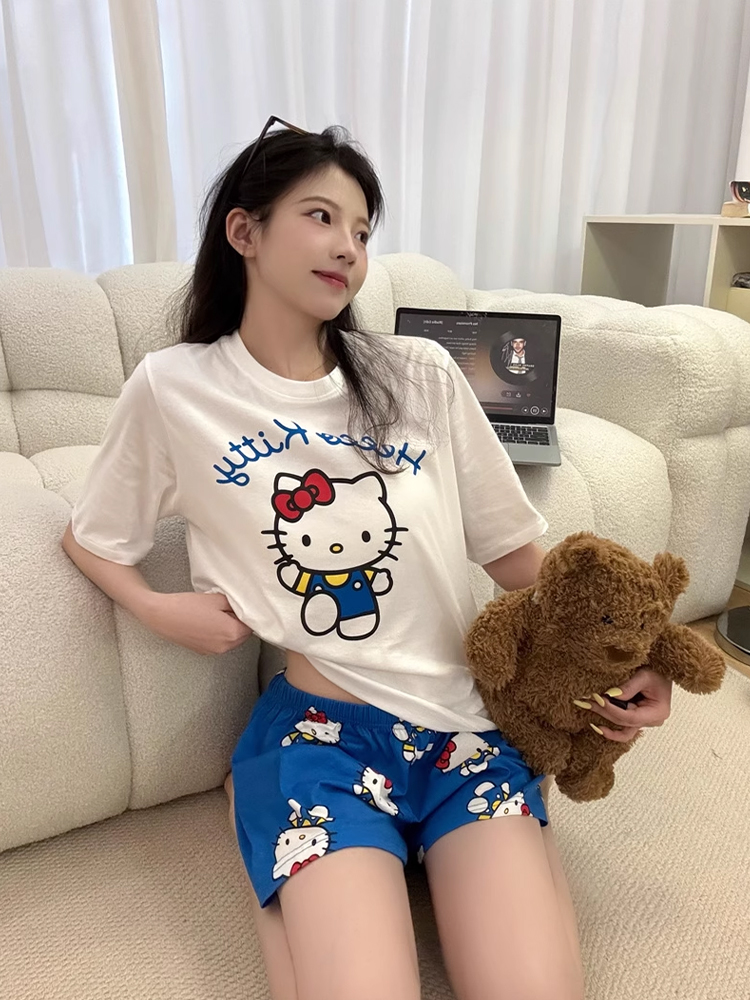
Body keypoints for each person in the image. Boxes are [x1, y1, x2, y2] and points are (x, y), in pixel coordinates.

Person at [62, 118, 673, 1000]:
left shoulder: (418, 373)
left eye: (360, 229)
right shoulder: (176, 388)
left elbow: (511, 551)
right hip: (321, 741)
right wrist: (161, 608)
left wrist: (630, 661)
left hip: (466, 727)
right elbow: (90, 536)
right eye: (320, 217)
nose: (348, 247)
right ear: (245, 232)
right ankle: (267, 809)